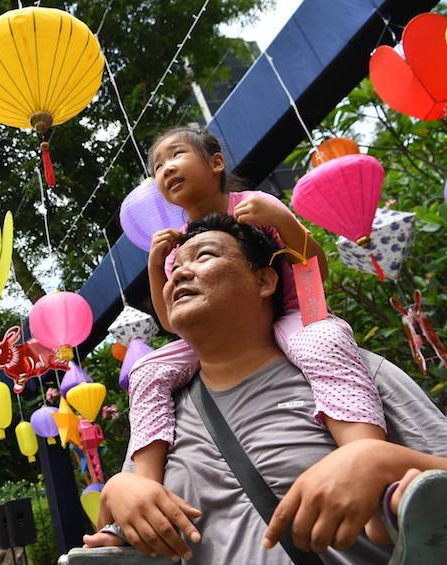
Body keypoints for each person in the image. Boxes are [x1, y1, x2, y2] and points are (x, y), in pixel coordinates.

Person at [82, 216, 447, 563]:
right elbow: (126, 538)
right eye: (174, 268)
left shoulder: (350, 368)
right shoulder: (160, 410)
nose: (180, 273)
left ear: (265, 281)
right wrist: (117, 493)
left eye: (205, 255)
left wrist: (381, 460)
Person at [126, 126, 390, 539]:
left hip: (284, 316)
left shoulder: (254, 204)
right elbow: (168, 322)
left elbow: (312, 271)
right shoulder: (174, 245)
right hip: (206, 338)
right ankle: (144, 485)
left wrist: (283, 221)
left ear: (216, 163)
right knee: (146, 372)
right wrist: (156, 266)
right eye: (158, 166)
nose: (166, 169)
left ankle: (368, 463)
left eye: (176, 155)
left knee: (322, 340)